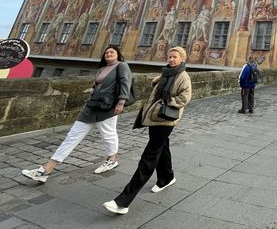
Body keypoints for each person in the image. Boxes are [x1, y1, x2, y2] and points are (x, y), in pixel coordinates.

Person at [21, 45, 133, 183]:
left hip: (108, 107)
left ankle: (112, 159)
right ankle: (46, 169)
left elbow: (125, 83)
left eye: (112, 52)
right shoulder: (102, 68)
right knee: (72, 136)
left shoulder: (122, 66)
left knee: (108, 134)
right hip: (92, 106)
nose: (108, 54)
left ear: (118, 54)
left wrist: (121, 102)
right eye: (106, 52)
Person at [103, 46, 192, 215]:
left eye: (175, 57)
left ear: (182, 59)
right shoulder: (165, 74)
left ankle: (123, 201)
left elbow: (185, 98)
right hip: (154, 117)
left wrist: (166, 101)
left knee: (149, 157)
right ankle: (167, 178)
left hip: (166, 119)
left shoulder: (183, 76)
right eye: (170, 56)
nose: (171, 59)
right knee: (162, 148)